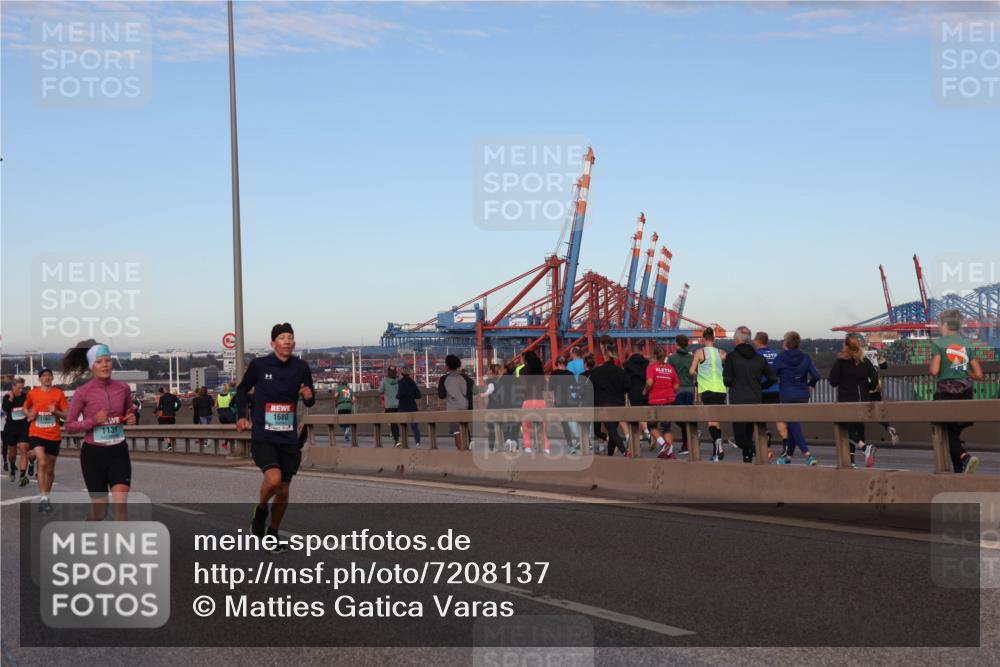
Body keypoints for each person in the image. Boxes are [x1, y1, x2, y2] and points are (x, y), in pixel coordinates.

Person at [236, 323, 316, 548]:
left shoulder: (301, 367)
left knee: (283, 489)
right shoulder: (260, 365)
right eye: (282, 338)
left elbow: (310, 398)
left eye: (291, 337)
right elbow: (242, 390)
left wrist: (309, 396)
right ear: (273, 343)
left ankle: (273, 532)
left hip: (288, 436)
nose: (288, 341)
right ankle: (261, 510)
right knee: (273, 479)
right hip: (264, 434)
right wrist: (242, 415)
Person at [63, 341, 137, 520]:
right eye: (99, 361)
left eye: (108, 360)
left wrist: (131, 418)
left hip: (118, 452)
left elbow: (129, 411)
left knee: (121, 505)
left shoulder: (123, 388)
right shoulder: (83, 392)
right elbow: (69, 426)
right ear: (91, 366)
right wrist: (93, 421)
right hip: (93, 455)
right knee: (100, 511)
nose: (105, 365)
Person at [930, 309, 983, 474]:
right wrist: (965, 373)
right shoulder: (966, 344)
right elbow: (979, 374)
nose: (938, 325)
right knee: (955, 433)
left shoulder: (938, 344)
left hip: (946, 393)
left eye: (939, 322)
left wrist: (936, 366)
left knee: (945, 433)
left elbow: (934, 370)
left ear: (945, 324)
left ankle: (964, 457)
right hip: (965, 392)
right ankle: (959, 471)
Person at [723, 326, 777, 463]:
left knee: (741, 440)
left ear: (737, 339)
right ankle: (747, 464)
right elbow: (773, 378)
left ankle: (763, 451)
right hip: (756, 400)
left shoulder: (731, 357)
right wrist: (760, 386)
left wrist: (733, 381)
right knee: (749, 435)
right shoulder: (759, 358)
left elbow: (727, 381)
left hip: (738, 402)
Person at [829, 334, 878, 468]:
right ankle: (857, 458)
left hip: (847, 399)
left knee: (847, 428)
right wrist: (867, 388)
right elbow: (874, 380)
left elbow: (832, 381)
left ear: (846, 346)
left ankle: (862, 449)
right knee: (858, 428)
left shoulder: (840, 362)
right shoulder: (865, 361)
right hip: (863, 399)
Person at [772, 332, 820, 466]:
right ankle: (787, 457)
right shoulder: (805, 357)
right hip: (803, 395)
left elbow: (771, 375)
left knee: (793, 424)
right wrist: (811, 385)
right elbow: (816, 375)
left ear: (786, 343)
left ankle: (808, 455)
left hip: (787, 395)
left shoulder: (781, 358)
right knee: (793, 424)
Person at [23, 368, 69, 511]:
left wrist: (56, 411)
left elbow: (67, 415)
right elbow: (25, 407)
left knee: (50, 470)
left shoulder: (59, 394)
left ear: (52, 378)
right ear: (40, 379)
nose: (47, 378)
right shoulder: (33, 393)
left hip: (54, 435)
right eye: (44, 376)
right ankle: (43, 497)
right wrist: (30, 414)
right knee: (41, 462)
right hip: (37, 433)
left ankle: (46, 498)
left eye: (49, 376)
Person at [690, 327, 728, 461]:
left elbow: (691, 371)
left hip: (707, 390)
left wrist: (699, 377)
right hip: (721, 390)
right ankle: (716, 452)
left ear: (703, 339)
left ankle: (719, 447)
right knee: (716, 421)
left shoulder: (699, 352)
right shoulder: (722, 353)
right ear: (714, 338)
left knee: (711, 422)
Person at [588, 346, 628, 456]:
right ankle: (610, 456)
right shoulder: (621, 372)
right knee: (612, 429)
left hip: (603, 404)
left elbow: (589, 387)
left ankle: (624, 451)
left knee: (612, 431)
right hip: (618, 403)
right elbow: (626, 388)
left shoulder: (596, 371)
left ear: (605, 356)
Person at [754, 331, 787, 461]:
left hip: (761, 390)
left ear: (757, 341)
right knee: (779, 420)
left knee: (759, 421)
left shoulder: (756, 355)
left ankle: (766, 447)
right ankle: (786, 446)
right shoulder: (776, 354)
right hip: (777, 390)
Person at [860, 338, 900, 445]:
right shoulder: (875, 352)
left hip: (862, 387)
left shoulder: (857, 353)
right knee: (878, 412)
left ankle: (862, 443)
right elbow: (884, 365)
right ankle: (889, 427)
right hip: (876, 387)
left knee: (859, 416)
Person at [644, 346, 680, 458]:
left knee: (652, 426)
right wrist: (669, 392)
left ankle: (664, 444)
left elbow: (649, 383)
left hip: (655, 400)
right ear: (664, 357)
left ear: (655, 356)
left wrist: (645, 391)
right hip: (669, 400)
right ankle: (670, 453)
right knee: (666, 428)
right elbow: (676, 386)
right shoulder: (671, 368)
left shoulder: (651, 367)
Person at [667, 335, 697, 455]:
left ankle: (686, 443)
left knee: (679, 418)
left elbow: (668, 375)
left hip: (677, 390)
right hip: (690, 389)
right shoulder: (692, 357)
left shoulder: (672, 359)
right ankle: (690, 439)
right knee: (688, 416)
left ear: (676, 344)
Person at [437, 354, 473, 450]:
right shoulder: (465, 378)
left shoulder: (443, 379)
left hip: (452, 408)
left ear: (447, 366)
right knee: (465, 428)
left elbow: (441, 395)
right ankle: (468, 447)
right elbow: (470, 392)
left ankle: (461, 453)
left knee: (457, 431)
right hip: (465, 406)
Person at [518, 351, 549, 454]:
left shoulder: (523, 370)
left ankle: (528, 447)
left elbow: (524, 387)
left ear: (526, 360)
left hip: (528, 400)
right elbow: (544, 386)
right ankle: (546, 447)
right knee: (542, 427)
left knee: (526, 427)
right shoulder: (540, 370)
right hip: (541, 401)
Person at [3, 378, 31, 485]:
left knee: (24, 449)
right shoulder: (7, 396)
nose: (21, 390)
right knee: (12, 454)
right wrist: (10, 398)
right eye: (19, 388)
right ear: (13, 387)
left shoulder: (26, 397)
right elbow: (5, 408)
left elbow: (32, 406)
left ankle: (23, 476)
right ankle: (12, 467)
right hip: (11, 428)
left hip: (24, 427)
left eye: (22, 388)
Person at [550, 356, 580, 453]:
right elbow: (575, 388)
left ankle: (570, 444)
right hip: (570, 400)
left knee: (564, 423)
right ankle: (579, 438)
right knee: (573, 421)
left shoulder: (553, 374)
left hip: (559, 401)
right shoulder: (570, 374)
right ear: (566, 364)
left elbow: (550, 388)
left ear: (557, 363)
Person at [623, 343, 651, 447]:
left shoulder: (626, 364)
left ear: (632, 351)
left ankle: (647, 432)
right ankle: (640, 437)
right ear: (642, 350)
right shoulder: (647, 362)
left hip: (633, 391)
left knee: (636, 413)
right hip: (646, 390)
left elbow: (626, 379)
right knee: (644, 413)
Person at [396, 367, 423, 448]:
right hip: (412, 405)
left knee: (403, 425)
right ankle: (417, 443)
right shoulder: (412, 382)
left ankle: (403, 442)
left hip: (403, 406)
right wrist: (411, 395)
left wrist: (397, 396)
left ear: (401, 374)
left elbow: (401, 394)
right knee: (414, 426)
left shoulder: (401, 382)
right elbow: (418, 395)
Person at [379, 366, 402, 447]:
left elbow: (380, 390)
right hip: (399, 404)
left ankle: (396, 440)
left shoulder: (385, 380)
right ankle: (399, 438)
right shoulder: (399, 380)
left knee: (393, 423)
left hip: (389, 405)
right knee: (399, 422)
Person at [156, 386, 181, 451]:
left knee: (166, 430)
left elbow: (159, 407)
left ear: (164, 390)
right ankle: (172, 444)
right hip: (172, 415)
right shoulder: (174, 396)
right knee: (171, 429)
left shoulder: (162, 397)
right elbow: (179, 403)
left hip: (165, 416)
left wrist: (162, 409)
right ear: (169, 390)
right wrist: (175, 409)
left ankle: (169, 444)